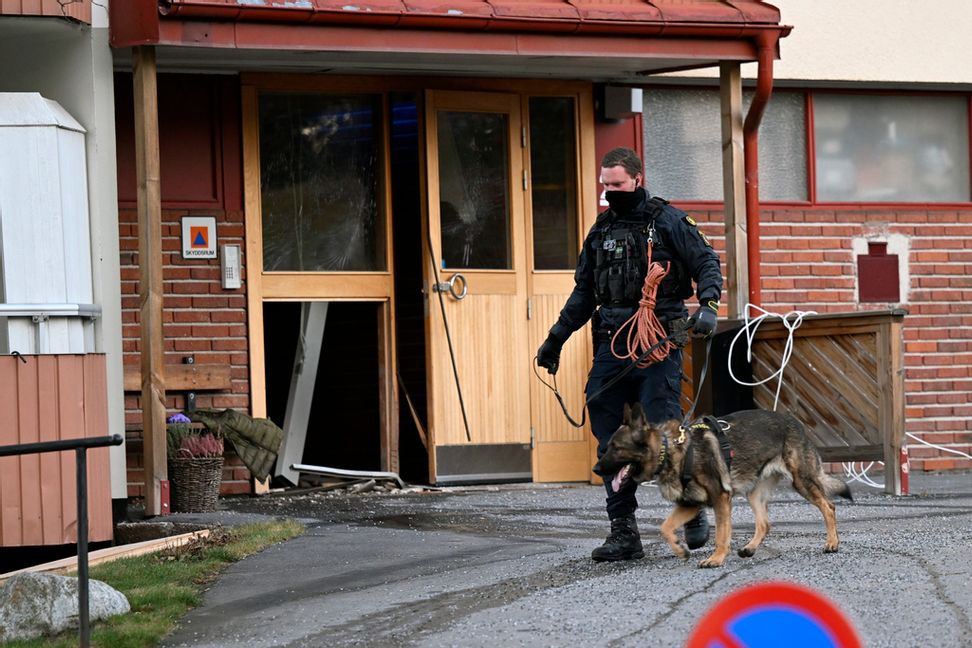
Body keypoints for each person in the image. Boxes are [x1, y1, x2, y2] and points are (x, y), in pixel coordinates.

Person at [536, 147, 724, 562]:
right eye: (605, 186)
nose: (610, 193)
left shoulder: (671, 221)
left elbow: (707, 263)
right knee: (610, 439)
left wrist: (708, 306)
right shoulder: (601, 230)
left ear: (637, 179)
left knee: (665, 429)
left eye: (617, 185)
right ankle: (623, 532)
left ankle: (691, 504)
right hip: (612, 344)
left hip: (657, 343)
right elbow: (584, 293)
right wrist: (556, 339)